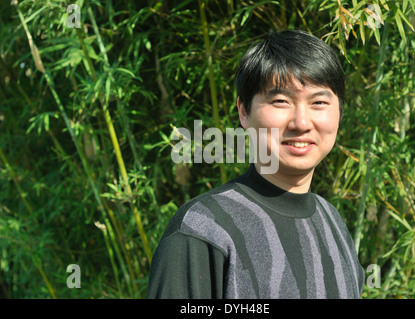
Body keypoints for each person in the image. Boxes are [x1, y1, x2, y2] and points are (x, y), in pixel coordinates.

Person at [147, 30, 365, 299]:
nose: (301, 123)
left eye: (318, 102)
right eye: (281, 101)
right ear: (243, 112)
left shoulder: (332, 221)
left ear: (339, 113)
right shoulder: (204, 230)